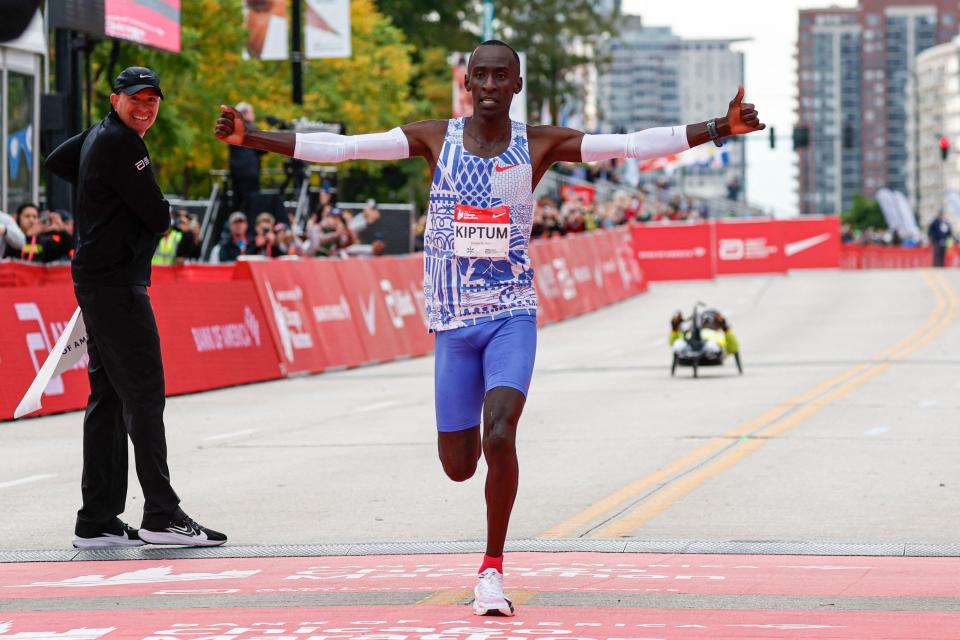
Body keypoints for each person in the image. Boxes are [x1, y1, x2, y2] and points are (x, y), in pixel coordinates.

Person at [215, 39, 764, 615]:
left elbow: (630, 145)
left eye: (503, 77)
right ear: (468, 84)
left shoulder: (540, 144)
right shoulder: (434, 137)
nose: (492, 86)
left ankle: (492, 570)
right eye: (482, 76)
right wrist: (251, 139)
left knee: (500, 433)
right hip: (453, 323)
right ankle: (477, 503)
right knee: (459, 466)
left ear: (516, 85)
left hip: (511, 313)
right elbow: (345, 148)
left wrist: (717, 127)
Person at [45, 66, 226, 549]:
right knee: (144, 395)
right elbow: (161, 216)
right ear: (115, 99)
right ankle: (162, 515)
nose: (145, 108)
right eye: (135, 99)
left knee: (108, 398)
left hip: (97, 279)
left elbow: (58, 159)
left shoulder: (103, 138)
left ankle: (97, 520)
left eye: (152, 100)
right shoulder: (123, 144)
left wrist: (101, 190)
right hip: (118, 284)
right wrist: (119, 196)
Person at [228, 102, 265, 210]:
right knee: (252, 204)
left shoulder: (232, 129)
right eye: (252, 112)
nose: (254, 115)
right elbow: (262, 149)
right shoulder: (251, 129)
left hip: (236, 172)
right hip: (250, 173)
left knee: (238, 203)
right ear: (245, 114)